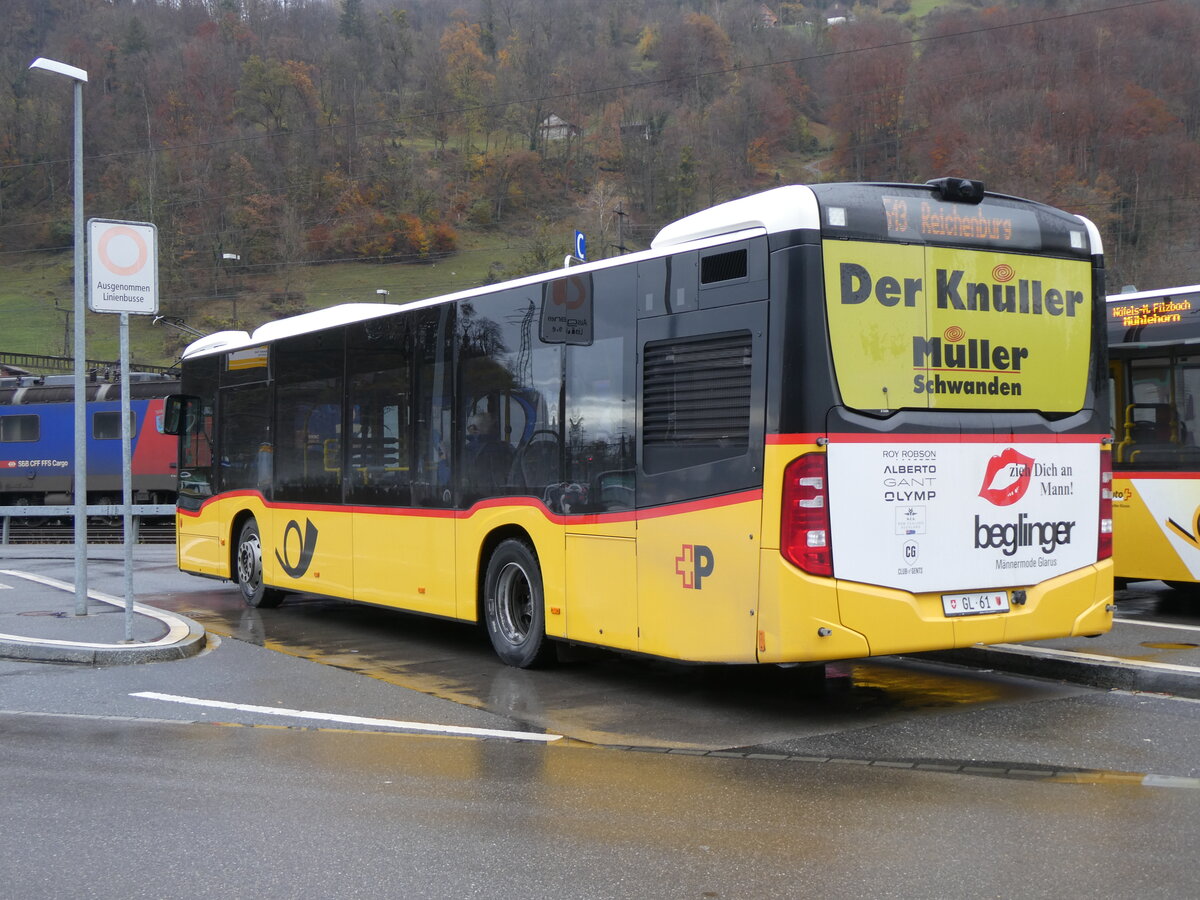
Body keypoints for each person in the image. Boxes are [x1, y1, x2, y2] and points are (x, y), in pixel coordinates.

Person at [465, 410, 511, 493]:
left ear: (473, 428)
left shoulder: (466, 450)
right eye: (492, 425)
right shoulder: (505, 448)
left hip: (474, 496)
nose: (493, 429)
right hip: (503, 496)